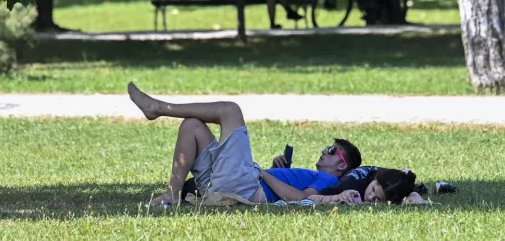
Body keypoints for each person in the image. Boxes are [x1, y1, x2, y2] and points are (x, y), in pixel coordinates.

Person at [126, 82, 362, 205]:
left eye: (332, 151)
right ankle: (172, 194)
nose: (324, 151)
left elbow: (302, 200)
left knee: (230, 110)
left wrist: (265, 174)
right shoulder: (315, 175)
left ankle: (158, 108)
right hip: (232, 184)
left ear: (342, 165)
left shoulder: (329, 180)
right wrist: (276, 170)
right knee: (192, 125)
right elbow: (293, 191)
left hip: (245, 188)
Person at [263, 164, 424, 205]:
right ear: (373, 180)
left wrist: (415, 194)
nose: (370, 197)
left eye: (377, 199)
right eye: (373, 190)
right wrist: (336, 197)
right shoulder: (350, 184)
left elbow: (406, 182)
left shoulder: (391, 180)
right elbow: (310, 198)